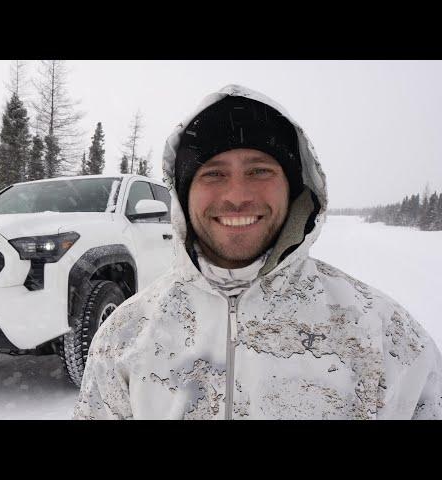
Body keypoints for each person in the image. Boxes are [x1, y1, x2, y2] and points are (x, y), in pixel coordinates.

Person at [73, 84, 442, 419]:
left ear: (295, 191)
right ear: (183, 196)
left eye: (260, 171)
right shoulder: (126, 335)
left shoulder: (384, 335)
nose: (237, 196)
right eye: (213, 174)